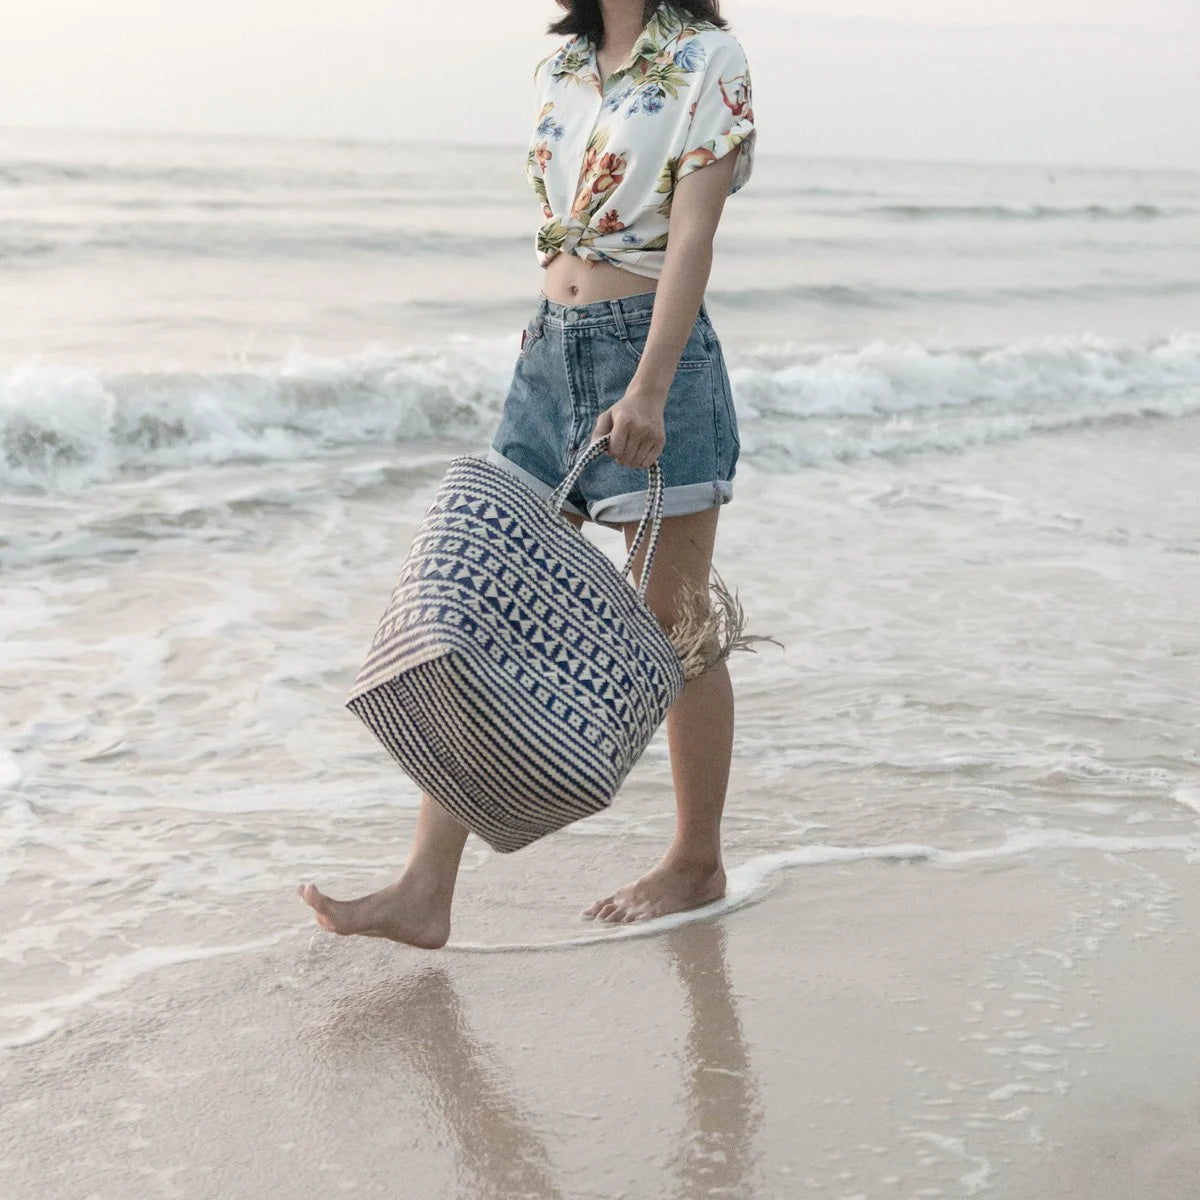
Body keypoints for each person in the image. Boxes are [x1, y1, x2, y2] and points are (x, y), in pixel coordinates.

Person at [299, 0, 756, 947]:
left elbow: (693, 239)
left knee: (677, 622)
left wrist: (650, 388)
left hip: (649, 354)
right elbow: (566, 227)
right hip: (549, 351)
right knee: (484, 605)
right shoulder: (564, 68)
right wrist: (548, 346)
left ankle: (695, 860)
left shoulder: (707, 56)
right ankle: (427, 888)